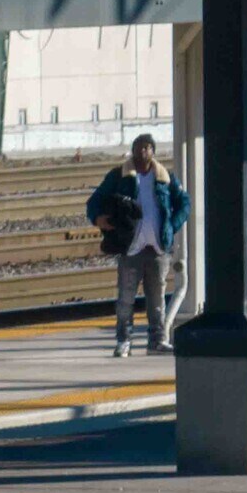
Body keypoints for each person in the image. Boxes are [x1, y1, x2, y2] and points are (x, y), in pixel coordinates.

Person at [87, 133, 190, 358]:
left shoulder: (165, 177)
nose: (142, 152)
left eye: (147, 148)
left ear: (153, 151)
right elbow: (95, 201)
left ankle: (157, 340)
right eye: (138, 148)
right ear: (132, 151)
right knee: (125, 298)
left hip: (157, 249)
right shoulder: (119, 176)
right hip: (130, 247)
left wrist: (172, 226)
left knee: (157, 299)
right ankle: (124, 340)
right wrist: (98, 218)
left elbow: (184, 203)